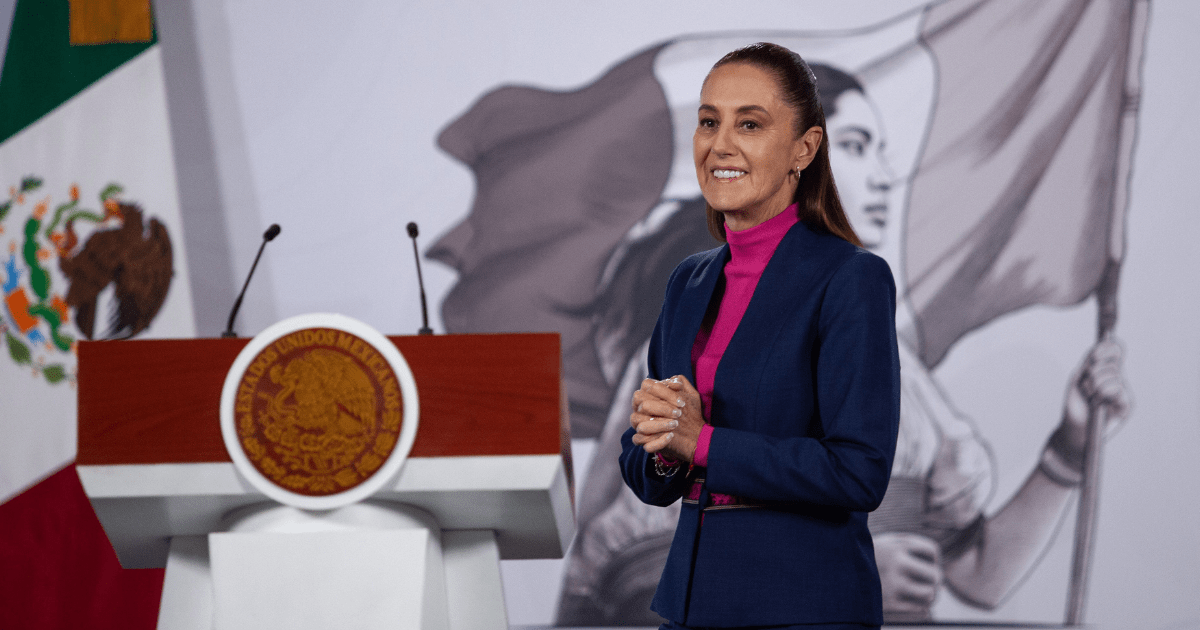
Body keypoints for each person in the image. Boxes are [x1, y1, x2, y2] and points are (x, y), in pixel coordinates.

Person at [619, 42, 901, 629]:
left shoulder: (851, 279)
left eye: (749, 124)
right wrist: (663, 446)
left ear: (805, 148)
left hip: (803, 608)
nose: (720, 144)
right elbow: (646, 466)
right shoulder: (688, 281)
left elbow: (858, 472)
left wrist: (700, 442)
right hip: (690, 607)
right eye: (708, 122)